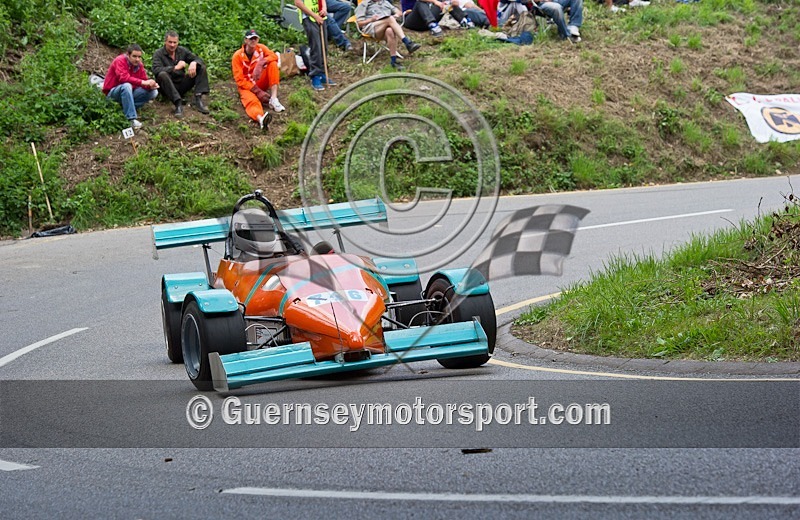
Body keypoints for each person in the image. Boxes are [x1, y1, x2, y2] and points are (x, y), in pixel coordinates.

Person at [231, 30, 285, 131]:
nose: (253, 40)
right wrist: (257, 91)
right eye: (251, 38)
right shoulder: (237, 56)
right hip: (246, 86)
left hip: (259, 80)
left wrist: (261, 63)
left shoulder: (261, 48)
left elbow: (273, 56)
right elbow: (239, 80)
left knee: (272, 64)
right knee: (251, 101)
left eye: (255, 38)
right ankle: (261, 119)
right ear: (245, 40)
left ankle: (274, 98)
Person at [152, 30, 210, 118]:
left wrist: (194, 62)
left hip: (181, 83)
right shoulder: (158, 53)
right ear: (165, 42)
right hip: (167, 87)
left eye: (174, 42)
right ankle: (178, 103)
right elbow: (156, 70)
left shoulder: (182, 51)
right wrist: (175, 67)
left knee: (201, 67)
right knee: (162, 74)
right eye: (170, 42)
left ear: (178, 42)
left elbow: (198, 59)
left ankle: (198, 98)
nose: (172, 45)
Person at [102, 44, 158, 130]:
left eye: (139, 57)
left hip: (130, 93)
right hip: (113, 93)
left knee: (154, 92)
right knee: (127, 85)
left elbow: (143, 80)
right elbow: (124, 78)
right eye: (134, 56)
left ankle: (126, 107)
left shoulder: (139, 65)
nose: (137, 59)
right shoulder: (120, 61)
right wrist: (144, 82)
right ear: (128, 55)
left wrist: (150, 85)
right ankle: (131, 118)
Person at [355, 0, 421, 70]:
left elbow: (399, 12)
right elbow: (359, 23)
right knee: (390, 19)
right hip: (371, 28)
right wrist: (371, 19)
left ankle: (393, 61)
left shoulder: (385, 2)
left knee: (390, 31)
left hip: (385, 26)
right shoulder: (364, 4)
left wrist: (396, 15)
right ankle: (407, 42)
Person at [294, 0, 335, 91]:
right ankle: (315, 75)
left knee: (323, 46)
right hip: (309, 18)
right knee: (316, 47)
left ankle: (322, 73)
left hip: (321, 17)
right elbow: (298, 3)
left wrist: (324, 8)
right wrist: (314, 16)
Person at [400, 0, 469, 36]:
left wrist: (452, 1)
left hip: (426, 18)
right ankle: (433, 25)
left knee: (445, 3)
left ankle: (463, 20)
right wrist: (435, 1)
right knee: (420, 3)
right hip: (411, 20)